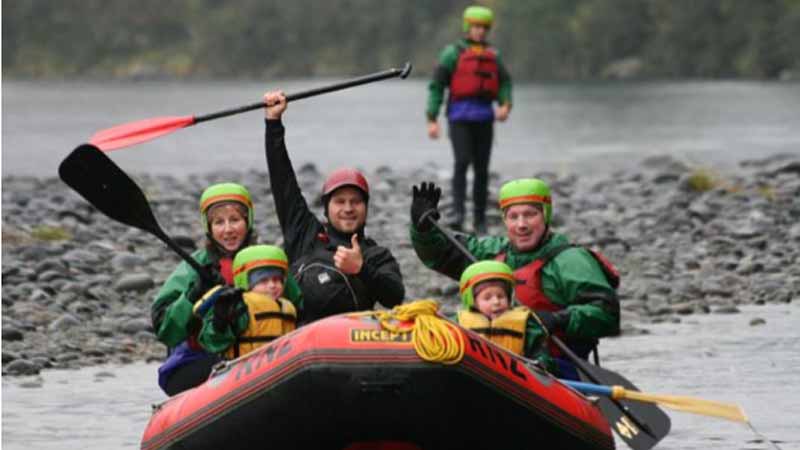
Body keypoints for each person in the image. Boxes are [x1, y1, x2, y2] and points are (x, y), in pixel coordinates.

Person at [409, 178, 620, 379]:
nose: (521, 225)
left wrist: (559, 319)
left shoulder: (571, 261)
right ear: (505, 220)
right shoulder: (493, 252)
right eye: (513, 217)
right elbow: (444, 253)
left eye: (530, 215)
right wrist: (424, 229)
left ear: (545, 216)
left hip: (556, 367)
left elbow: (607, 313)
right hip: (492, 364)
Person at [262, 90, 405, 323]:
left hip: (351, 341)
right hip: (300, 342)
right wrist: (273, 122)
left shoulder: (375, 255)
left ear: (366, 208)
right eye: (340, 202)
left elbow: (395, 297)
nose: (348, 208)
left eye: (356, 202)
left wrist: (361, 268)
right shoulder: (305, 234)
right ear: (326, 208)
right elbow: (282, 182)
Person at [151, 183, 302, 395]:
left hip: (267, 356)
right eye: (219, 222)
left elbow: (300, 309)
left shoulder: (268, 261)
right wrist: (193, 295)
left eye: (235, 220)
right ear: (209, 228)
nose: (228, 229)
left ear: (247, 221)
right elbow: (165, 329)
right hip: (204, 358)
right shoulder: (195, 267)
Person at [426, 5, 513, 234]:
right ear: (467, 27)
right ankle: (457, 213)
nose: (480, 31)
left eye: (484, 27)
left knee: (482, 169)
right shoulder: (452, 53)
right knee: (462, 162)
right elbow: (437, 85)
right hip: (459, 118)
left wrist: (505, 104)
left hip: (484, 117)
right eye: (476, 27)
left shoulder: (493, 55)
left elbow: (504, 82)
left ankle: (480, 219)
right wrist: (432, 117)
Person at [193, 245, 298, 359]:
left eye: (277, 280)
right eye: (263, 281)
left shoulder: (288, 307)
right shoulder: (241, 305)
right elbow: (212, 343)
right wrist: (220, 323)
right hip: (243, 367)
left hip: (281, 365)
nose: (272, 285)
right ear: (245, 281)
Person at [456, 260, 554, 371]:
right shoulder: (458, 322)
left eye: (501, 296)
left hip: (517, 380)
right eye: (487, 298)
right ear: (472, 301)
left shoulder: (527, 323)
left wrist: (541, 363)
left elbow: (539, 351)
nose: (496, 302)